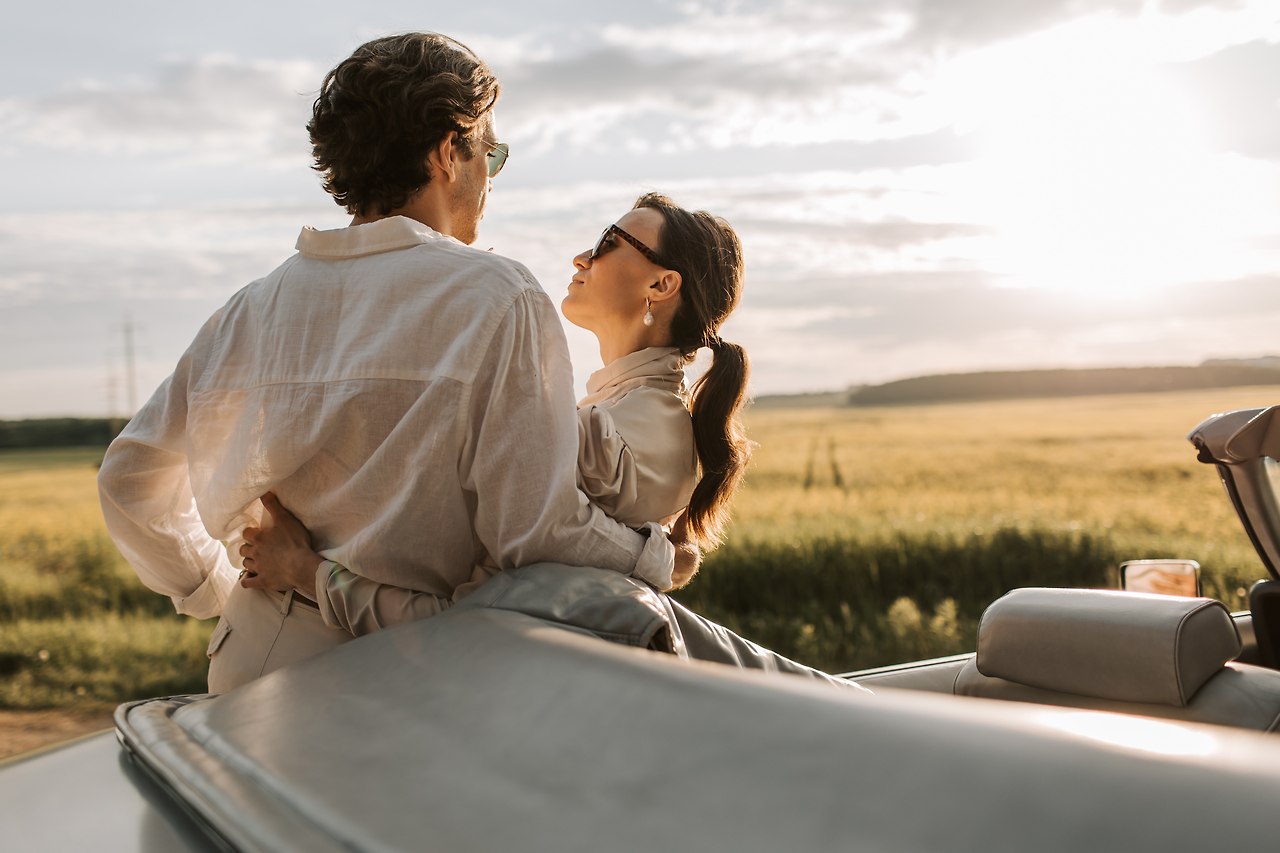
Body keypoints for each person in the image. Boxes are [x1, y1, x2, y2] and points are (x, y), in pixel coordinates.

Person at [97, 32, 675, 693]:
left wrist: (215, 591)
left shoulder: (253, 306)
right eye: (491, 152)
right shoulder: (500, 295)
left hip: (249, 663)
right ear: (446, 153)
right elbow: (533, 530)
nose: (490, 175)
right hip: (405, 673)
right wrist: (651, 554)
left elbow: (129, 478)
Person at [240, 192, 751, 623]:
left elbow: (467, 621)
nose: (581, 258)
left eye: (606, 244)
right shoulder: (624, 412)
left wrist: (307, 573)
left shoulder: (631, 434)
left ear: (661, 286)